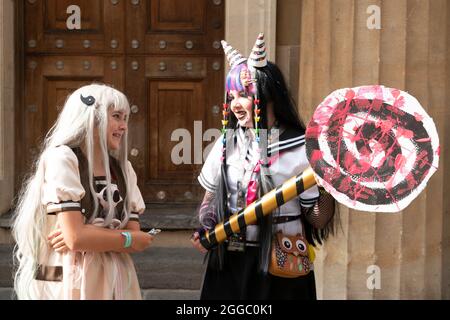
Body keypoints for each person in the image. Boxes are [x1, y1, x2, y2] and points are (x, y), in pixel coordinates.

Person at [191, 33, 336, 300]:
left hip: (281, 262)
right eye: (231, 95)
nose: (234, 104)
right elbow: (209, 202)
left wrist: (326, 183)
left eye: (243, 95)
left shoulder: (303, 147)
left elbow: (317, 217)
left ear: (268, 95)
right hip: (229, 261)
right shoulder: (227, 143)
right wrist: (208, 226)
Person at [12, 84, 153, 300]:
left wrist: (90, 234)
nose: (124, 126)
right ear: (91, 118)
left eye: (125, 118)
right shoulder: (63, 158)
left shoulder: (124, 169)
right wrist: (124, 238)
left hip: (118, 276)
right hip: (68, 275)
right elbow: (77, 239)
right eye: (116, 116)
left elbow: (137, 236)